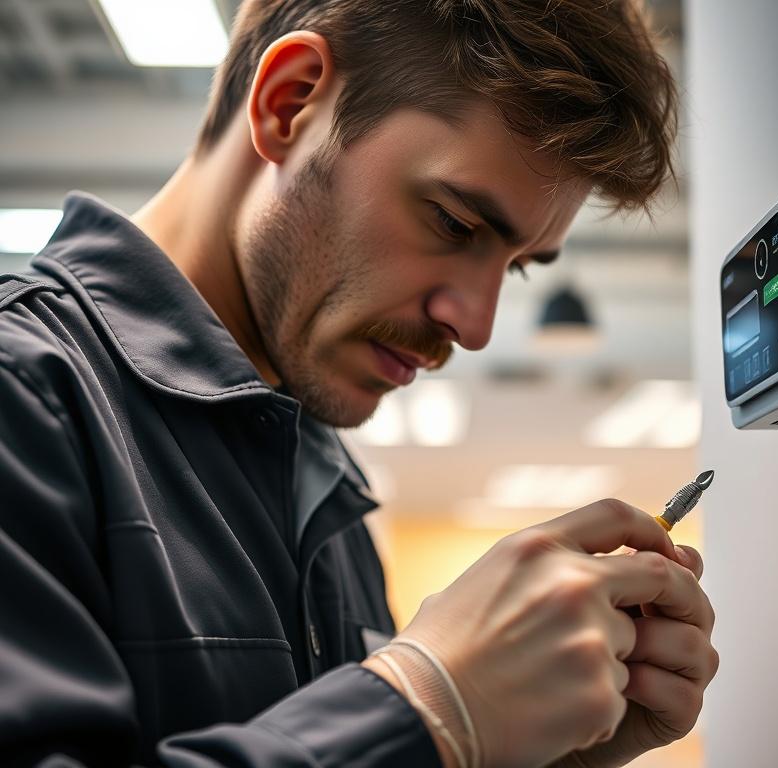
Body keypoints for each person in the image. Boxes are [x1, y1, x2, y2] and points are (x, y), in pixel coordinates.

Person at [0, 1, 718, 766]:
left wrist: (515, 752)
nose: (474, 326)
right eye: (453, 224)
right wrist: (421, 709)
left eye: (517, 266)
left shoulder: (319, 479)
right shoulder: (25, 397)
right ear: (291, 103)